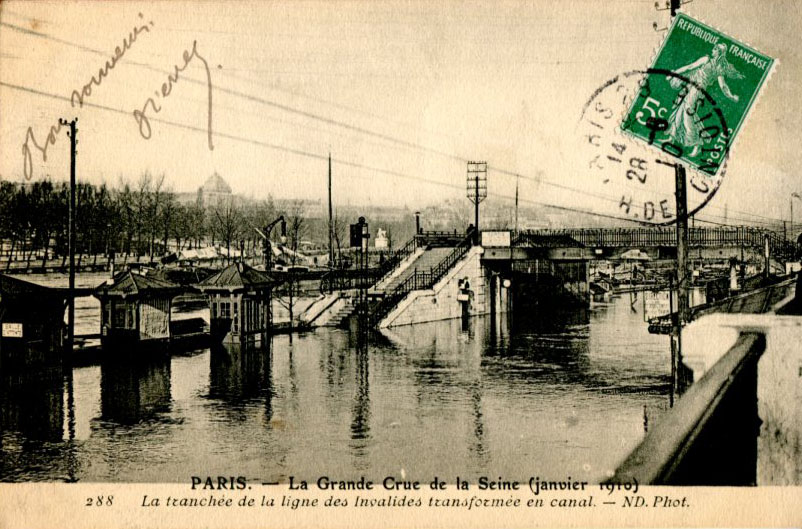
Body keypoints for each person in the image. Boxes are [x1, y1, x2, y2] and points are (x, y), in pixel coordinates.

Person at [666, 42, 744, 158]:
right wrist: (675, 73)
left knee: (687, 113)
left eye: (715, 49)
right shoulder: (708, 60)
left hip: (697, 91)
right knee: (681, 110)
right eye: (714, 48)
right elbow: (690, 67)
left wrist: (731, 96)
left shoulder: (719, 68)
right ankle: (672, 137)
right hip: (691, 86)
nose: (713, 50)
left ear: (720, 53)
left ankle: (697, 143)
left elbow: (723, 86)